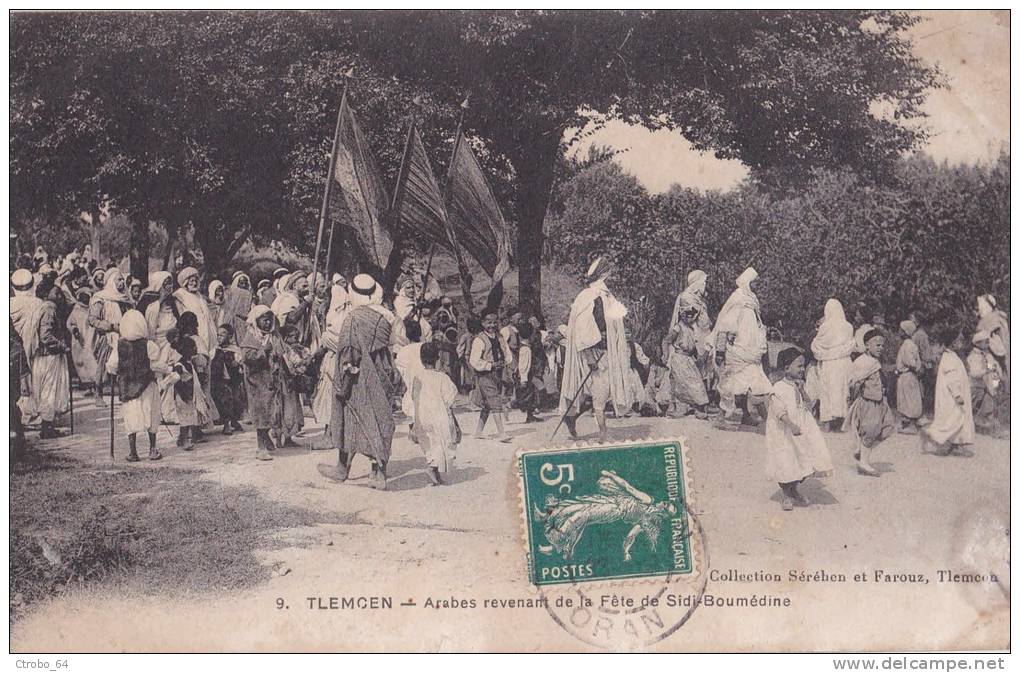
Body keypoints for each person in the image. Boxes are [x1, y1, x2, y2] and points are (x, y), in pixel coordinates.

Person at [318, 274, 397, 490]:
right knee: (379, 419)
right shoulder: (387, 316)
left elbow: (348, 353)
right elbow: (390, 345)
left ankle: (342, 468)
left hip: (358, 376)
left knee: (349, 416)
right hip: (382, 374)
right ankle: (378, 473)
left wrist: (343, 383)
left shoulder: (352, 318)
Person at [559, 257, 631, 441]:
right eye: (608, 272)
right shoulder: (589, 297)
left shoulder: (606, 296)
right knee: (600, 391)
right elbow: (583, 332)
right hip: (593, 353)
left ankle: (572, 417)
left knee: (603, 391)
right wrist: (590, 357)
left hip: (607, 352)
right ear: (603, 274)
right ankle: (603, 432)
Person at [766, 347, 833, 511]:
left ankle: (794, 489)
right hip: (786, 431)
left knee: (805, 459)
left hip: (802, 428)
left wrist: (802, 389)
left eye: (803, 366)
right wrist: (791, 425)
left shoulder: (798, 385)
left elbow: (808, 405)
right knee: (787, 461)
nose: (802, 369)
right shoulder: (778, 388)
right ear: (786, 368)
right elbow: (779, 411)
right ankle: (787, 494)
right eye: (799, 366)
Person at [711, 267, 771, 425]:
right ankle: (768, 421)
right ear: (748, 282)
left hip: (751, 353)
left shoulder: (752, 302)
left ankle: (746, 416)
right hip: (738, 352)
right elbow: (724, 327)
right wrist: (720, 351)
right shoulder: (738, 300)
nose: (758, 285)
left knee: (748, 385)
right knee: (736, 386)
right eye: (755, 282)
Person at [105, 310, 167, 461]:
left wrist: (117, 371)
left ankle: (133, 452)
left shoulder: (119, 346)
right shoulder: (149, 345)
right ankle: (152, 449)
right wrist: (166, 370)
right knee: (150, 415)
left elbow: (111, 367)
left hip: (127, 387)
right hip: (146, 386)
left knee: (130, 417)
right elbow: (156, 365)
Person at [844, 329, 896, 476]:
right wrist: (853, 397)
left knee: (887, 427)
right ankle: (864, 463)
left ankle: (862, 451)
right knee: (871, 430)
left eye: (882, 345)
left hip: (880, 401)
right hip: (869, 402)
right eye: (877, 345)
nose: (881, 348)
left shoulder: (874, 362)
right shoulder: (863, 362)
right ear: (867, 345)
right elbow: (854, 381)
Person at [413, 341, 460, 486]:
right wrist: (454, 420)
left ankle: (434, 470)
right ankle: (432, 468)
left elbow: (414, 398)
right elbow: (449, 399)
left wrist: (415, 421)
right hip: (439, 414)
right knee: (443, 441)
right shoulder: (443, 377)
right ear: (438, 358)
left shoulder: (417, 376)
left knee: (429, 442)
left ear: (421, 359)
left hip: (422, 414)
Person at [921, 328, 975, 455]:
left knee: (958, 420)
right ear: (953, 342)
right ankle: (932, 435)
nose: (961, 342)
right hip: (952, 398)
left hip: (954, 396)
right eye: (959, 340)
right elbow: (952, 379)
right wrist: (957, 395)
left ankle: (956, 444)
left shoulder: (952, 356)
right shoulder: (950, 359)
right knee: (952, 421)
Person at [242, 305, 283, 461]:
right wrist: (264, 351)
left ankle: (267, 438)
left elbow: (281, 352)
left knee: (271, 411)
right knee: (261, 413)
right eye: (264, 320)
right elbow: (248, 357)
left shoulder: (273, 336)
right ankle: (261, 447)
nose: (267, 323)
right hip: (257, 382)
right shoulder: (251, 336)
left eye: (269, 320)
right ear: (256, 320)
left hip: (272, 380)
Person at [670, 269, 716, 399]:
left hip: (704, 334)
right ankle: (696, 399)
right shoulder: (687, 297)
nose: (705, 285)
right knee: (697, 367)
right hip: (694, 336)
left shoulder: (699, 299)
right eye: (704, 282)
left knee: (708, 366)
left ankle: (706, 396)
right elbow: (689, 319)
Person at [88, 268, 131, 406]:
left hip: (124, 335)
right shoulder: (100, 298)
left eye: (122, 279)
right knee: (103, 364)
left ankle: (123, 393)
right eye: (119, 279)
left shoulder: (125, 298)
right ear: (111, 281)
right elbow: (93, 320)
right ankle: (98, 394)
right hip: (106, 336)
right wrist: (111, 327)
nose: (122, 282)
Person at [810, 298, 854, 431]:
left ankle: (828, 422)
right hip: (844, 362)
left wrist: (826, 353)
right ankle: (842, 422)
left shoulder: (825, 327)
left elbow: (817, 345)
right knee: (843, 390)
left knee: (828, 391)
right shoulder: (848, 326)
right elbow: (851, 344)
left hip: (829, 364)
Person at [470, 311, 513, 441]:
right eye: (489, 322)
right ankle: (501, 433)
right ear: (483, 323)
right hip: (485, 375)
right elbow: (474, 361)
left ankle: (478, 431)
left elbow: (506, 352)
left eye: (495, 322)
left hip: (498, 374)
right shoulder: (479, 340)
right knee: (495, 401)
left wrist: (506, 362)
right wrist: (489, 365)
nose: (492, 325)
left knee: (487, 404)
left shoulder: (500, 337)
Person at [143, 271, 180, 424]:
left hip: (172, 345)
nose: (169, 287)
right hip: (158, 345)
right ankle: (159, 413)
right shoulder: (153, 308)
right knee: (160, 378)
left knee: (173, 376)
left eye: (171, 283)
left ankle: (169, 412)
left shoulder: (173, 305)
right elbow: (150, 331)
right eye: (165, 284)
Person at [662, 305, 710, 419]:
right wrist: (665, 355)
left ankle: (698, 407)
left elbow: (693, 347)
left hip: (689, 359)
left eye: (692, 316)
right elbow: (666, 341)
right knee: (684, 383)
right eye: (688, 315)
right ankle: (682, 408)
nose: (691, 318)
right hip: (679, 358)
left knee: (697, 382)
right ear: (683, 316)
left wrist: (701, 357)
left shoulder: (692, 330)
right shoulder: (678, 328)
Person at [276, 324, 310, 448]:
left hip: (288, 384)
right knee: (283, 410)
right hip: (282, 383)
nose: (295, 339)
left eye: (296, 336)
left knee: (288, 410)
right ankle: (280, 438)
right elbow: (296, 366)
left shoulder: (292, 349)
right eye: (291, 336)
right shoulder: (285, 349)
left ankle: (287, 438)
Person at [210, 324, 245, 435]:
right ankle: (226, 424)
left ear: (230, 336)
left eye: (223, 334)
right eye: (218, 335)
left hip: (233, 379)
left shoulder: (235, 350)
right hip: (219, 380)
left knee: (235, 400)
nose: (219, 337)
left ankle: (234, 421)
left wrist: (237, 365)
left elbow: (241, 363)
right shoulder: (214, 350)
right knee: (224, 401)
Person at [966, 330, 1003, 430]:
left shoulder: (987, 355)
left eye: (988, 341)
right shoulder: (973, 357)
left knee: (990, 402)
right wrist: (987, 370)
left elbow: (994, 367)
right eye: (985, 341)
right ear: (978, 343)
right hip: (975, 386)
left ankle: (989, 424)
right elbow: (974, 373)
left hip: (986, 386)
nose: (987, 343)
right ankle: (972, 424)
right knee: (974, 405)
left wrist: (996, 375)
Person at [67, 287, 99, 396]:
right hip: (79, 340)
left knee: (92, 361)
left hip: (91, 337)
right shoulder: (76, 310)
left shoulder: (92, 309)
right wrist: (74, 330)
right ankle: (87, 386)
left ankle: (96, 386)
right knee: (80, 362)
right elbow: (70, 323)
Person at [395, 319, 425, 428]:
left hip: (410, 389)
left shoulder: (403, 351)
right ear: (420, 333)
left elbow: (399, 372)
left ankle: (415, 427)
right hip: (428, 388)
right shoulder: (426, 347)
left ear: (407, 335)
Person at [895, 320, 924, 434]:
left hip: (907, 375)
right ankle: (908, 422)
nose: (898, 332)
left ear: (905, 332)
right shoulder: (910, 344)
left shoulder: (907, 345)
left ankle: (911, 425)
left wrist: (912, 367)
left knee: (909, 399)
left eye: (900, 330)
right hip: (909, 375)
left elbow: (910, 361)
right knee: (909, 398)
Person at [976, 294, 1010, 380]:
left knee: (996, 377)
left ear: (987, 306)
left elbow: (999, 346)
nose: (979, 309)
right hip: (992, 357)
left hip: (995, 356)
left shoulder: (993, 320)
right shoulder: (997, 318)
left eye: (981, 305)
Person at [515, 322, 542, 423]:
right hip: (525, 376)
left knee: (531, 395)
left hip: (528, 375)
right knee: (525, 397)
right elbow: (523, 365)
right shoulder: (525, 349)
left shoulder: (526, 347)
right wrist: (524, 379)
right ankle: (508, 405)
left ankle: (530, 416)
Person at [222, 272, 254, 345]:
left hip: (242, 321)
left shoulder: (248, 294)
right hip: (230, 319)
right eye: (241, 282)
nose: (243, 285)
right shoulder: (231, 292)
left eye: (245, 283)